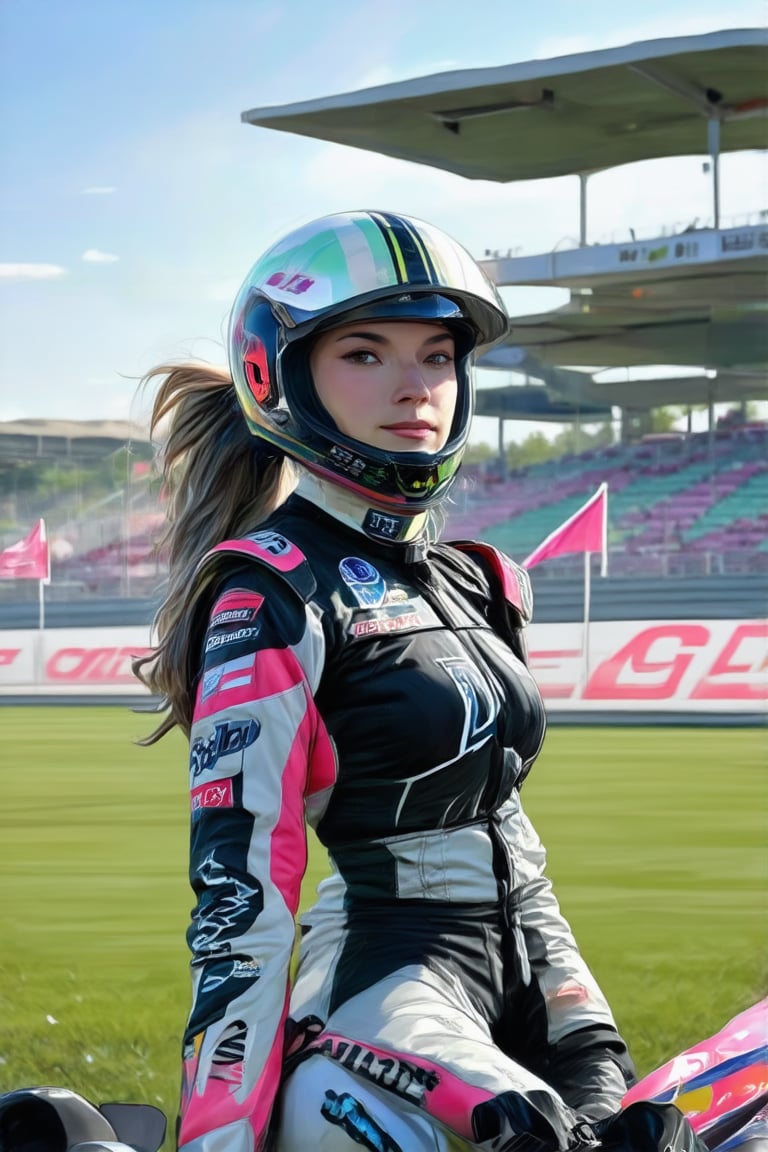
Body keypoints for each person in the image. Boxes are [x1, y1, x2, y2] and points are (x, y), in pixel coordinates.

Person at [132, 210, 701, 1152]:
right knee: (536, 1137)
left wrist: (565, 990)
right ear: (281, 374)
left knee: (656, 1137)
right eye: (366, 354)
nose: (415, 386)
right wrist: (218, 1136)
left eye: (437, 355)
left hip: (536, 954)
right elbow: (240, 897)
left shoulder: (482, 580)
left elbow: (505, 817)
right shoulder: (267, 593)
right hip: (391, 973)